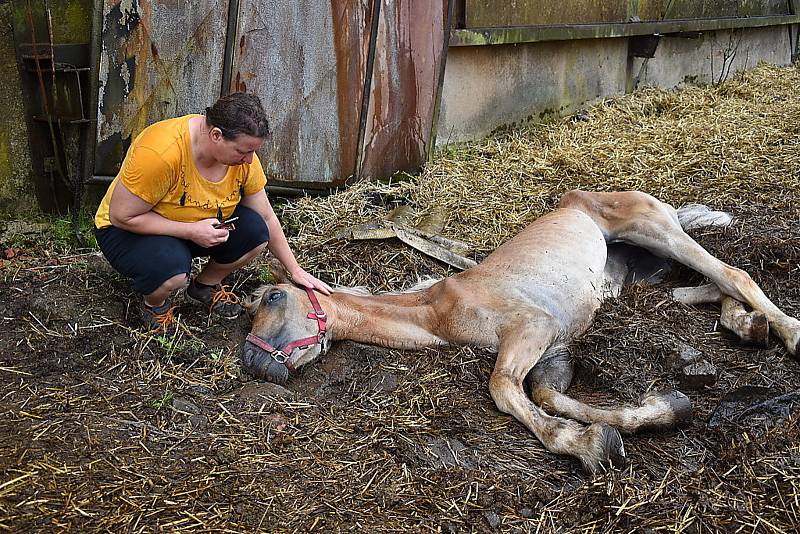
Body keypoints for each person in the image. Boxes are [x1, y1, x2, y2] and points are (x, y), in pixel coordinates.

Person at [94, 92, 331, 330]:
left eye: (253, 152)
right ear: (216, 135)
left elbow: (267, 216)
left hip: (194, 227)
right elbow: (122, 215)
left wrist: (295, 269)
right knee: (172, 270)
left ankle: (203, 287)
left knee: (256, 232)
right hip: (127, 231)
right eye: (243, 151)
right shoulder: (161, 153)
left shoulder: (243, 162)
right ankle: (153, 305)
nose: (249, 160)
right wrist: (191, 231)